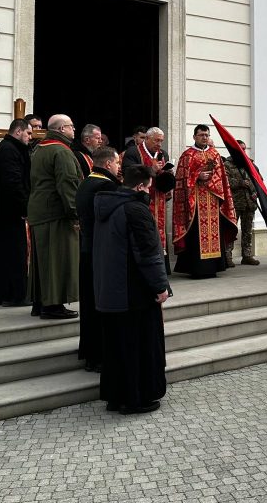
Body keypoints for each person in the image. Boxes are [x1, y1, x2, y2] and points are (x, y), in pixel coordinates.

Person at [94, 164, 170, 414]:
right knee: (138, 345)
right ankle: (136, 399)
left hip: (111, 290)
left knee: (116, 347)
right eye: (148, 188)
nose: (149, 192)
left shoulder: (106, 205)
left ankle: (116, 397)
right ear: (139, 187)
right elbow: (148, 253)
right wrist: (160, 286)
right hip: (134, 291)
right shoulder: (136, 210)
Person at [27, 114, 82, 319]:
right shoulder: (61, 151)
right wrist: (75, 214)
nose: (73, 130)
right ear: (61, 129)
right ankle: (52, 306)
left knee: (42, 261)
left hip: (40, 210)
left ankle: (40, 302)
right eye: (71, 126)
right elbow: (67, 184)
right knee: (57, 260)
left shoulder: (40, 148)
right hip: (55, 213)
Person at [75, 146, 121, 372]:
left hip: (86, 251)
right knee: (102, 306)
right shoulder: (107, 186)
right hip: (102, 254)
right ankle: (101, 356)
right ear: (108, 163)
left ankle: (90, 353)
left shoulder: (86, 182)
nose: (119, 167)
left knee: (89, 306)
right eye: (117, 163)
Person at [172, 124, 238, 279]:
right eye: (201, 135)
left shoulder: (214, 154)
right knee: (196, 234)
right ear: (194, 137)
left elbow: (222, 178)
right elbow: (181, 179)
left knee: (214, 231)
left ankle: (213, 267)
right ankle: (197, 269)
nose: (204, 137)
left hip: (213, 201)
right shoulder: (187, 155)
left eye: (207, 135)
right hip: (194, 201)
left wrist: (211, 181)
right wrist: (197, 176)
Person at [0, 118, 32, 307]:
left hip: (3, 211)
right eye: (28, 133)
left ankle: (3, 293)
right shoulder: (10, 150)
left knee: (2, 254)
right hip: (9, 212)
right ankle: (12, 295)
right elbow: (13, 183)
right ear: (18, 131)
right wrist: (25, 207)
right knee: (12, 255)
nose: (30, 137)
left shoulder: (8, 147)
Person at [123, 127, 176, 267]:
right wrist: (151, 170)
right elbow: (128, 173)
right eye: (156, 140)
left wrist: (167, 173)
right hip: (139, 200)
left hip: (159, 199)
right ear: (146, 138)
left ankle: (161, 265)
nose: (159, 144)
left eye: (161, 141)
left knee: (159, 229)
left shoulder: (163, 154)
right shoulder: (133, 152)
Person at [224, 139, 260, 266]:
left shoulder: (250, 164)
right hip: (234, 203)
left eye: (244, 149)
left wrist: (256, 193)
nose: (243, 151)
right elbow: (224, 181)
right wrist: (240, 183)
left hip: (249, 202)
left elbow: (259, 181)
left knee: (247, 231)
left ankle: (247, 255)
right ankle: (227, 257)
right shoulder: (227, 164)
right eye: (240, 149)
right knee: (231, 230)